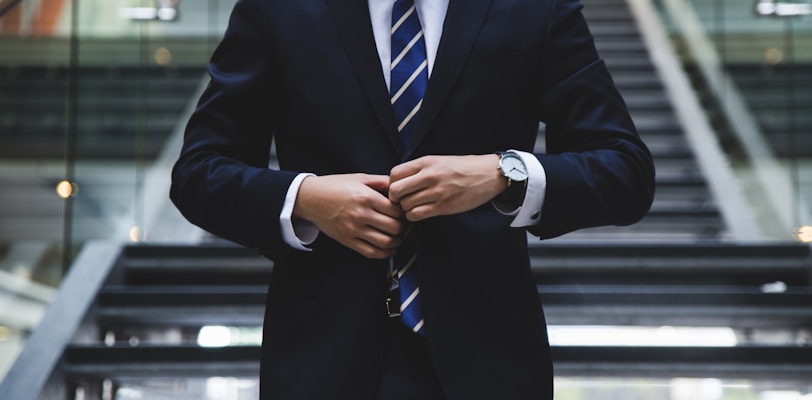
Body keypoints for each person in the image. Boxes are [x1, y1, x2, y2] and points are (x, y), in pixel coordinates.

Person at [170, 0, 655, 398]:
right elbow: (199, 172)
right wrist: (305, 198)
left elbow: (625, 170)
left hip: (489, 361)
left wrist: (504, 172)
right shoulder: (278, 9)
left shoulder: (534, 8)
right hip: (320, 358)